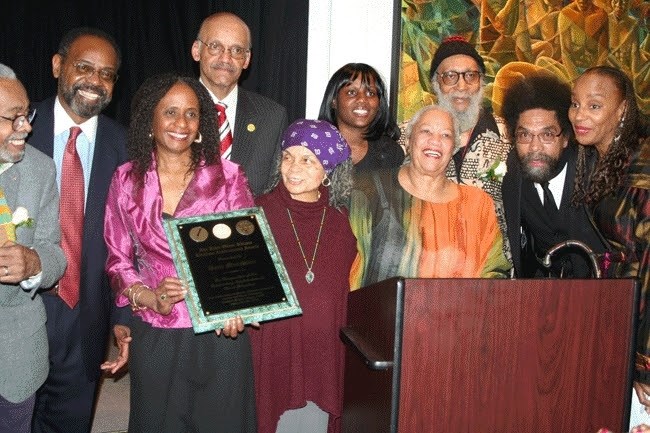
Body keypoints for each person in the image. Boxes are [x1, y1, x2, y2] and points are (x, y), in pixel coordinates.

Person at [102, 73, 256, 432]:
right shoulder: (126, 180)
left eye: (191, 114)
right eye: (170, 112)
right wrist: (149, 297)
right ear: (150, 121)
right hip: (158, 328)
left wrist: (237, 306)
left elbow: (247, 256)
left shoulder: (229, 177)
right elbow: (118, 260)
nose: (181, 123)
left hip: (221, 333)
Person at [28, 27, 130, 433]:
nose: (95, 80)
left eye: (106, 74)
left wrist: (124, 314)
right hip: (18, 312)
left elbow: (131, 242)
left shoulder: (126, 148)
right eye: (84, 67)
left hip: (85, 314)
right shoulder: (15, 130)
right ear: (58, 66)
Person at [251, 119, 357, 433]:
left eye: (307, 160)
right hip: (271, 350)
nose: (293, 168)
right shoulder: (255, 213)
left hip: (323, 351)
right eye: (288, 157)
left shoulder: (343, 222)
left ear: (328, 171)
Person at [349, 105, 511, 289]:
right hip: (376, 315)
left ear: (454, 148)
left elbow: (495, 274)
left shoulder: (478, 204)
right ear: (409, 141)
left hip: (458, 316)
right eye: (426, 131)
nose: (435, 141)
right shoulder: (365, 191)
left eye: (446, 135)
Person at [567, 66, 649, 422]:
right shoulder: (605, 158)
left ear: (622, 110)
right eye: (574, 104)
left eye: (594, 106)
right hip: (624, 320)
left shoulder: (642, 166)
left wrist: (643, 361)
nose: (579, 115)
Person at [0, 64, 66, 433]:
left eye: (27, 115)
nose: (26, 127)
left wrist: (34, 262)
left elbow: (55, 251)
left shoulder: (41, 170)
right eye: (14, 118)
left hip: (16, 356)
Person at [501, 71, 607, 277]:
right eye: (524, 135)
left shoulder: (595, 174)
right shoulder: (515, 180)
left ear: (566, 137)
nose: (534, 147)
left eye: (547, 135)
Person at [426, 36, 512, 257]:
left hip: (493, 267)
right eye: (450, 77)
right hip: (429, 265)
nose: (461, 86)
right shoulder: (410, 137)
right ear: (435, 83)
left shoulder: (508, 135)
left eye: (470, 76)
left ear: (481, 82)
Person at [191, 11, 288, 195]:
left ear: (247, 59)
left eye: (236, 50)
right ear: (197, 51)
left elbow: (275, 194)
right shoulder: (170, 110)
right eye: (215, 46)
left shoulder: (272, 117)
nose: (225, 58)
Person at [318, 63, 404, 171]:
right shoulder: (313, 148)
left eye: (370, 93)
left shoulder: (391, 153)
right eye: (352, 92)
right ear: (334, 101)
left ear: (379, 104)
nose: (362, 99)